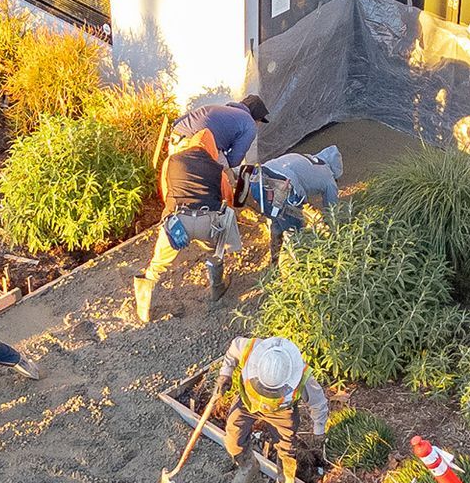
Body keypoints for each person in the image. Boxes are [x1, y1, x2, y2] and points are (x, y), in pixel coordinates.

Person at [133, 130, 243, 323]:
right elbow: (227, 200)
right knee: (215, 253)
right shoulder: (218, 170)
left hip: (177, 222)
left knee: (159, 264)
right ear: (212, 149)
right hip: (207, 222)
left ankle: (144, 307)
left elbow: (165, 190)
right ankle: (217, 288)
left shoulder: (171, 161)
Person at [213, 335, 327, 483]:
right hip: (247, 403)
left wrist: (319, 429)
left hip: (282, 412)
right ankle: (247, 465)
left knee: (287, 448)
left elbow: (318, 402)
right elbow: (232, 350)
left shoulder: (302, 375)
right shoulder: (249, 349)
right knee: (233, 438)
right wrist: (225, 374)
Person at [240, 145, 343, 262]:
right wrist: (335, 234)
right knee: (295, 234)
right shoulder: (329, 178)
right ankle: (295, 267)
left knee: (276, 220)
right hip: (282, 190)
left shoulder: (306, 157)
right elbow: (332, 211)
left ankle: (275, 258)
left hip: (258, 180)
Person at [166, 94, 270, 172]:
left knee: (180, 180)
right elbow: (234, 159)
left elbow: (178, 122)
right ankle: (227, 201)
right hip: (198, 144)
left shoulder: (222, 109)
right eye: (259, 121)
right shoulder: (249, 123)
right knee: (224, 179)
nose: (258, 125)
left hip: (176, 138)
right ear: (257, 117)